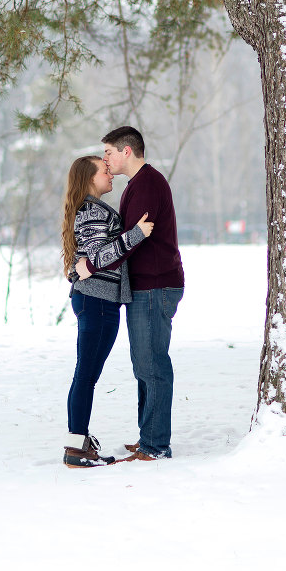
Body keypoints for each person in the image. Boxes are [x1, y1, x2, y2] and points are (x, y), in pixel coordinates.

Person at [62, 154, 153, 469]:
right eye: (104, 170)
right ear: (89, 177)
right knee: (86, 375)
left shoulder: (90, 209)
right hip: (96, 301)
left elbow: (88, 259)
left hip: (97, 300)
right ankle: (76, 447)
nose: (110, 173)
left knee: (86, 375)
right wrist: (136, 235)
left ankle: (78, 444)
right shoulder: (92, 210)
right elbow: (99, 256)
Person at [100, 126, 184, 460]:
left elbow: (135, 239)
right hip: (146, 285)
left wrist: (95, 266)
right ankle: (148, 436)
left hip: (156, 284)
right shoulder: (138, 185)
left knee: (152, 366)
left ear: (127, 151)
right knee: (143, 365)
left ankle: (156, 444)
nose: (105, 159)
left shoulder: (147, 184)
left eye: (108, 151)